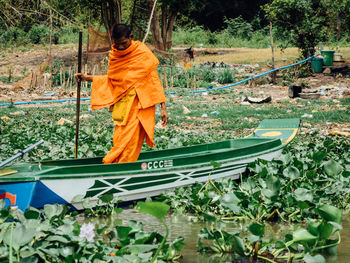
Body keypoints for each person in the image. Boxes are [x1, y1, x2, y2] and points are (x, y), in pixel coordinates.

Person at [76, 23, 168, 164]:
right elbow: (113, 80)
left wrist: (163, 107)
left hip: (140, 107)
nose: (120, 47)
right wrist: (87, 78)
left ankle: (119, 168)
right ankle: (115, 166)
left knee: (130, 144)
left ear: (130, 37)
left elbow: (154, 80)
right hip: (123, 108)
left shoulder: (142, 53)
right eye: (117, 44)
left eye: (123, 43)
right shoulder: (115, 55)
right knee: (119, 139)